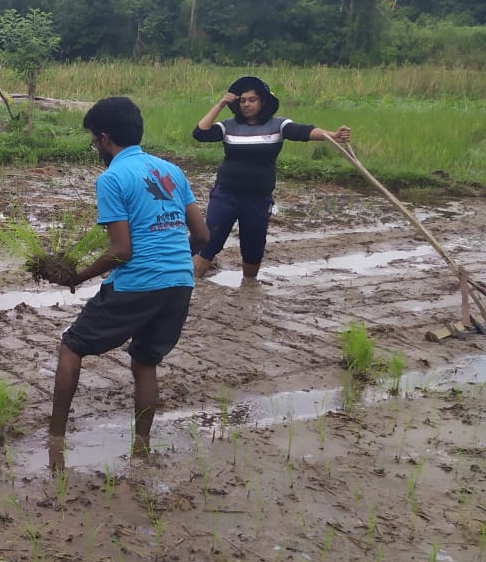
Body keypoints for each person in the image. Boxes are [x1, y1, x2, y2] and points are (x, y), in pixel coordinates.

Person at [48, 96, 209, 460]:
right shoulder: (171, 171)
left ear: (105, 138)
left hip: (140, 282)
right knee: (145, 362)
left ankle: (55, 436)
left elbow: (122, 250)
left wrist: (78, 275)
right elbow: (202, 237)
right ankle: (141, 446)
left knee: (71, 347)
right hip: (180, 283)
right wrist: (174, 258)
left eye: (94, 140)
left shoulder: (113, 178)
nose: (95, 147)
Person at [192, 75, 351, 281]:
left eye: (252, 99)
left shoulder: (277, 125)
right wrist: (220, 104)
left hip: (257, 199)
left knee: (253, 249)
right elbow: (200, 133)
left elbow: (303, 131)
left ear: (263, 102)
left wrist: (332, 135)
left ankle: (249, 290)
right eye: (242, 100)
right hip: (226, 195)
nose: (247, 104)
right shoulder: (228, 126)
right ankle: (192, 286)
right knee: (209, 242)